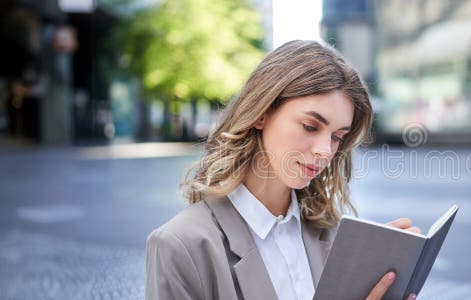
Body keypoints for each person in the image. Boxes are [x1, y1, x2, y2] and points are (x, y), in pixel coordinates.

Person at [146, 40, 421, 300]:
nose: (325, 150)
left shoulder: (335, 240)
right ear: (262, 112)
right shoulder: (180, 245)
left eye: (337, 136)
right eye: (310, 127)